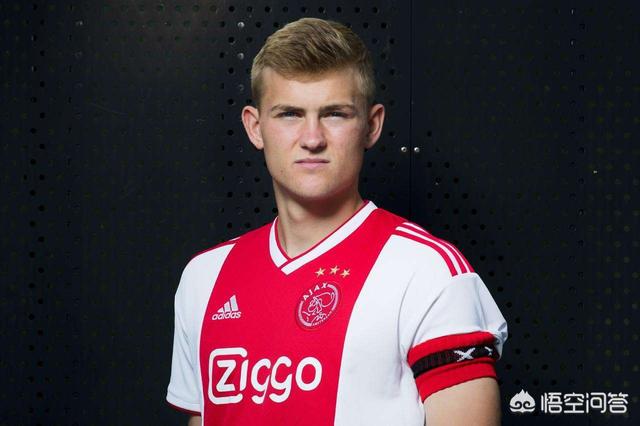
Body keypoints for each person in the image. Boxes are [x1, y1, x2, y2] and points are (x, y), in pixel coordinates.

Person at [166, 17, 508, 426]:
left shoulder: (428, 272)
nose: (312, 138)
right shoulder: (204, 278)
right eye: (289, 114)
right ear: (255, 128)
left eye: (335, 114)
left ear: (372, 126)